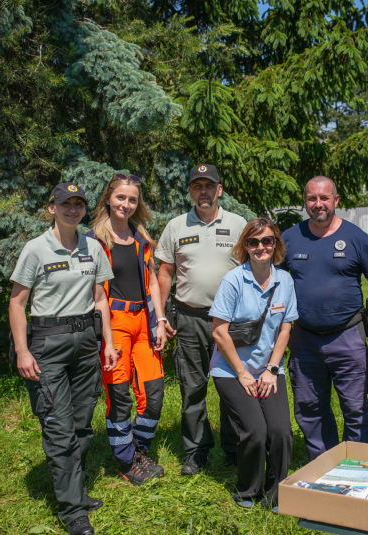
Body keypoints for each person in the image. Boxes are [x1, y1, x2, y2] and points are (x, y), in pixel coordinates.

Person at [9, 182, 119, 535]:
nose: (72, 209)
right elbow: (17, 303)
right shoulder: (36, 249)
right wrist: (23, 350)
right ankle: (73, 510)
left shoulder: (94, 247)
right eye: (65, 204)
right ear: (52, 208)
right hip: (48, 344)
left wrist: (109, 343)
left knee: (82, 422)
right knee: (59, 427)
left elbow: (100, 299)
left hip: (87, 342)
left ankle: (76, 489)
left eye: (78, 204)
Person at [280, 175, 368, 461]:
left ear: (336, 200)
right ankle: (324, 463)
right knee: (309, 407)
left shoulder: (356, 238)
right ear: (305, 201)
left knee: (355, 408)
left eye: (324, 198)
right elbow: (270, 283)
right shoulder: (289, 238)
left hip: (348, 336)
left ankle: (355, 464)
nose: (318, 204)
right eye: (312, 198)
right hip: (304, 339)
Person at [156, 164, 245, 475]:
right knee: (192, 387)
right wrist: (162, 314)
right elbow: (165, 272)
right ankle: (196, 450)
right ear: (190, 191)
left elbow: (253, 269)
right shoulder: (176, 226)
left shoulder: (238, 224)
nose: (203, 191)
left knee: (232, 385)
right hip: (190, 318)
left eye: (209, 186)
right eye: (197, 186)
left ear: (219, 190)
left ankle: (235, 448)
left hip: (231, 323)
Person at [210, 217, 297, 510]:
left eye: (267, 240)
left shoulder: (284, 280)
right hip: (231, 370)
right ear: (245, 246)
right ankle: (248, 490)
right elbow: (219, 331)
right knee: (255, 431)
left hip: (269, 369)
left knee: (281, 431)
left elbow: (285, 328)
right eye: (254, 241)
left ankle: (278, 491)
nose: (261, 247)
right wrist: (244, 374)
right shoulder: (233, 280)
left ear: (276, 244)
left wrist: (272, 370)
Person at [87, 173, 168, 485]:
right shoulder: (93, 241)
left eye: (132, 199)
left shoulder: (141, 239)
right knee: (119, 395)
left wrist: (160, 321)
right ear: (108, 198)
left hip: (144, 323)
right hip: (114, 325)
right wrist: (103, 338)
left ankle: (140, 451)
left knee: (154, 393)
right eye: (120, 197)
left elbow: (151, 283)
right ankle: (124, 460)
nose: (126, 204)